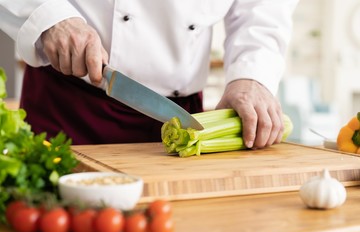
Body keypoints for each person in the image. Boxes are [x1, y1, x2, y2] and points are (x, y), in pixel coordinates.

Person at [0, 0, 298, 148]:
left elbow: (265, 8)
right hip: (66, 105)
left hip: (177, 122)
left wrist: (252, 74)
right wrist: (48, 14)